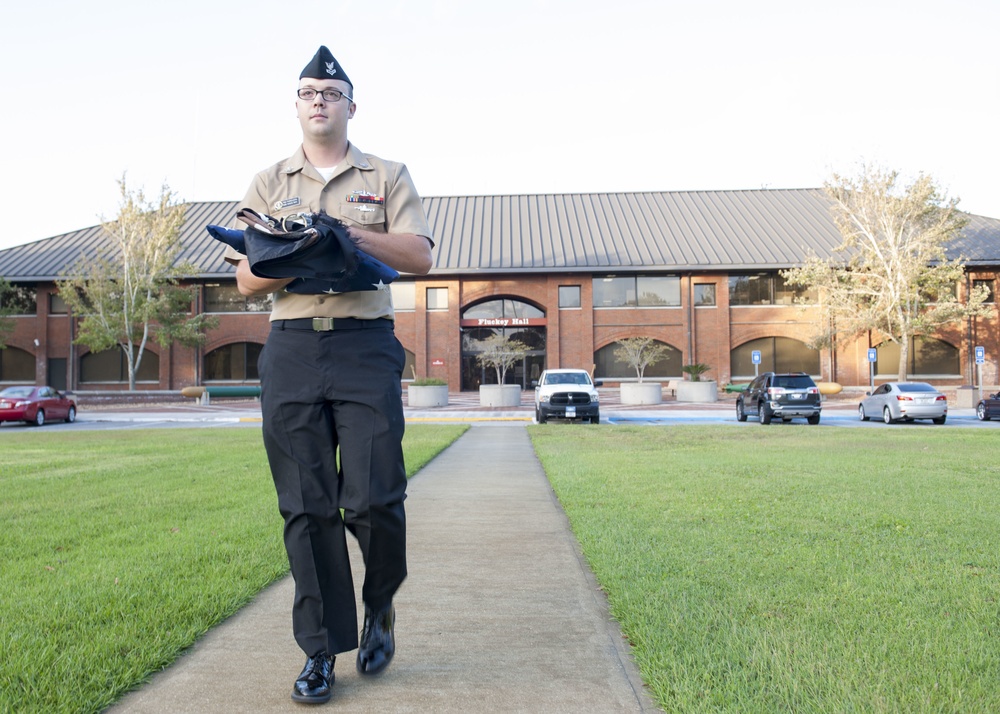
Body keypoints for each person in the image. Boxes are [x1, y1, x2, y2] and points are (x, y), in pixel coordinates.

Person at [224, 46, 434, 704]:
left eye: (331, 91)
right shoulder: (268, 182)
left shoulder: (388, 174)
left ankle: (381, 607)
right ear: (297, 105)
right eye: (308, 91)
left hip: (364, 346)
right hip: (290, 348)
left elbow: (420, 256)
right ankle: (320, 650)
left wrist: (344, 234)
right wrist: (297, 245)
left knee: (374, 496)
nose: (319, 100)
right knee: (306, 506)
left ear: (350, 105)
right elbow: (246, 278)